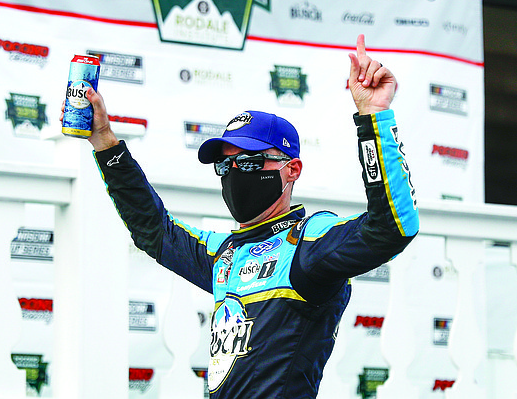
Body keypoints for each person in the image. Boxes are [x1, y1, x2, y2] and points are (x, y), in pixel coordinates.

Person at [75, 35, 419, 398]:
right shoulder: (225, 253)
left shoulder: (309, 242)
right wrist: (105, 142)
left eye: (251, 162)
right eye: (226, 164)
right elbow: (154, 231)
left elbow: (391, 228)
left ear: (292, 170)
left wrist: (374, 117)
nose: (237, 173)